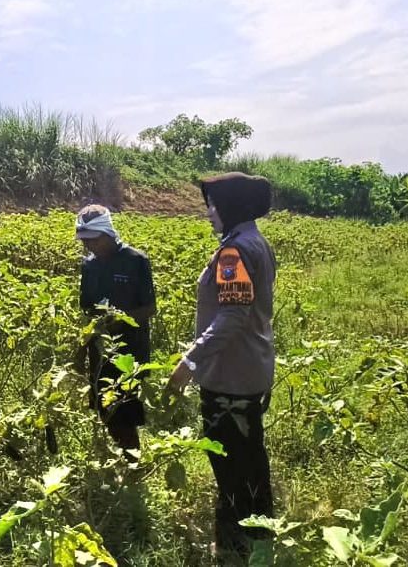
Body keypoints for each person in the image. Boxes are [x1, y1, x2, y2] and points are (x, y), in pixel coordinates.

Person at [166, 172, 277, 561]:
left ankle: (233, 541)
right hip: (252, 367)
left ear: (230, 207)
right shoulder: (253, 241)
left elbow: (232, 316)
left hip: (231, 375)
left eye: (212, 205)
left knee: (229, 458)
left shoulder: (234, 252)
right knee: (249, 454)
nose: (209, 213)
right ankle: (262, 529)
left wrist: (189, 361)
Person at [75, 204, 156, 461]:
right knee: (102, 406)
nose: (90, 247)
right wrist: (80, 350)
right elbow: (87, 311)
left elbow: (150, 308)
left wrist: (120, 320)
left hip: (129, 351)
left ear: (108, 233)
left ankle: (133, 463)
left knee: (124, 409)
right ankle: (112, 459)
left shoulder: (136, 261)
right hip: (99, 349)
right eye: (85, 242)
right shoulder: (89, 266)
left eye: (93, 240)